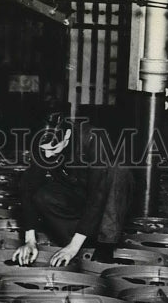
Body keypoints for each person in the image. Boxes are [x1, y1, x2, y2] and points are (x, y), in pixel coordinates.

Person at [13, 110, 133, 267]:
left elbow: (98, 195)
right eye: (44, 150)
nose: (47, 156)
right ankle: (78, 241)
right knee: (42, 196)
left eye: (53, 149)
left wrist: (73, 247)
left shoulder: (94, 139)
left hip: (108, 196)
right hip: (77, 189)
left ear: (67, 135)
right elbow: (28, 186)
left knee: (117, 170)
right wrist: (30, 240)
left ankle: (105, 247)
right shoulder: (44, 141)